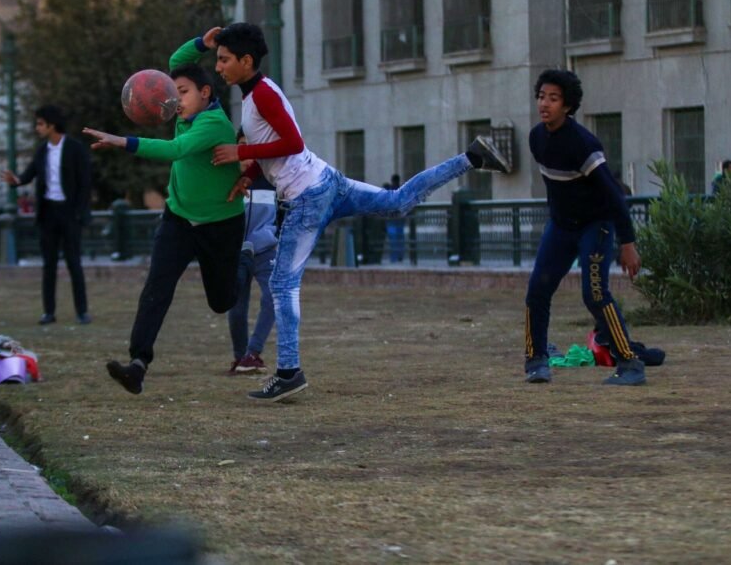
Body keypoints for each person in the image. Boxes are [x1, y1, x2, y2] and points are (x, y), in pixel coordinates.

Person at [197, 23, 510, 402]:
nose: (218, 67)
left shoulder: (261, 94)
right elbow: (277, 146)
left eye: (225, 59)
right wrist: (248, 173)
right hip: (325, 182)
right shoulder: (255, 94)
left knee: (281, 285)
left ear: (246, 61)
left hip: (306, 197)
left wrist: (241, 154)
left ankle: (289, 372)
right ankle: (472, 157)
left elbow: (293, 143)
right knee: (397, 203)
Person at [84, 62, 245, 395]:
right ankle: (138, 365)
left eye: (182, 93)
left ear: (205, 93)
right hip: (178, 219)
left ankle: (246, 261)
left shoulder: (214, 123)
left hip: (220, 225)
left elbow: (176, 151)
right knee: (157, 287)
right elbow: (178, 59)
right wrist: (202, 41)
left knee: (222, 301)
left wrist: (122, 141)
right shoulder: (183, 117)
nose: (174, 101)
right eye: (172, 93)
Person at [524, 69, 646, 386]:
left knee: (594, 294)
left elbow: (615, 197)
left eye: (553, 98)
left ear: (567, 105)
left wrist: (628, 244)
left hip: (597, 224)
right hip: (562, 227)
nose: (544, 104)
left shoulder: (583, 144)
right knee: (537, 290)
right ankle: (536, 360)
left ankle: (630, 364)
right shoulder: (536, 138)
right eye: (541, 97)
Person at [2, 105, 92, 325]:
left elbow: (85, 183)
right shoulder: (42, 150)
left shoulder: (75, 148)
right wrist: (17, 181)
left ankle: (82, 311)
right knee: (48, 264)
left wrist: (81, 212)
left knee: (74, 263)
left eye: (40, 124)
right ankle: (48, 312)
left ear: (52, 125)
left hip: (69, 213)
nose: (37, 128)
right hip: (48, 213)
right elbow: (29, 173)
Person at [228, 129, 278, 375]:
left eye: (252, 146)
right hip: (236, 253)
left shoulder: (271, 179)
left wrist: (269, 237)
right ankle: (239, 357)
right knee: (237, 305)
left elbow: (283, 215)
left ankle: (253, 352)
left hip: (265, 251)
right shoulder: (226, 180)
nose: (247, 153)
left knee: (273, 297)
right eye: (242, 146)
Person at [386, 173, 405, 263]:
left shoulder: (390, 191)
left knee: (394, 239)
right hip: (398, 219)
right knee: (398, 238)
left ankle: (395, 257)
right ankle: (398, 256)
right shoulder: (401, 190)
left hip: (392, 219)